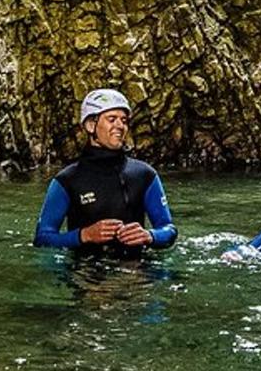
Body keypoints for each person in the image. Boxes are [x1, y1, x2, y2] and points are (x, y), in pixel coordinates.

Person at [33, 88, 177, 257]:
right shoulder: (67, 180)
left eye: (123, 120)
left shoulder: (144, 174)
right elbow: (42, 239)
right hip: (87, 272)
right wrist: (84, 235)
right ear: (91, 125)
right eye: (112, 119)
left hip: (135, 269)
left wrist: (150, 236)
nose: (120, 126)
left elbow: (169, 229)